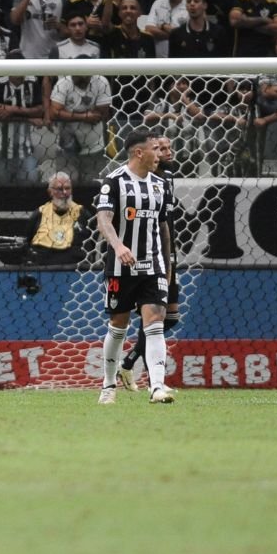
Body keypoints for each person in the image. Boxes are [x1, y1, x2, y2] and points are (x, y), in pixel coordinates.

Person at [95, 129, 175, 405]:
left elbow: (163, 228)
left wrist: (167, 265)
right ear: (139, 152)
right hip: (120, 267)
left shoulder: (161, 184)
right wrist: (118, 246)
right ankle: (108, 385)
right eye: (155, 148)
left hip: (152, 266)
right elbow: (103, 219)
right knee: (118, 327)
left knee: (155, 323)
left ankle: (157, 387)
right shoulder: (114, 181)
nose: (160, 154)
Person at [118, 133, 179, 390]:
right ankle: (126, 367)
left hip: (165, 251)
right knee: (153, 316)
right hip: (140, 257)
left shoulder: (165, 180)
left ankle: (129, 365)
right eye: (160, 148)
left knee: (169, 317)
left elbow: (165, 223)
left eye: (167, 147)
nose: (166, 152)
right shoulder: (133, 180)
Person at [24, 172, 91, 265]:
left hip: (77, 271)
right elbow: (28, 241)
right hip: (44, 270)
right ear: (50, 192)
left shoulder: (83, 214)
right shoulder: (39, 214)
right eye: (59, 189)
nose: (64, 192)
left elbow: (93, 242)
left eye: (67, 188)